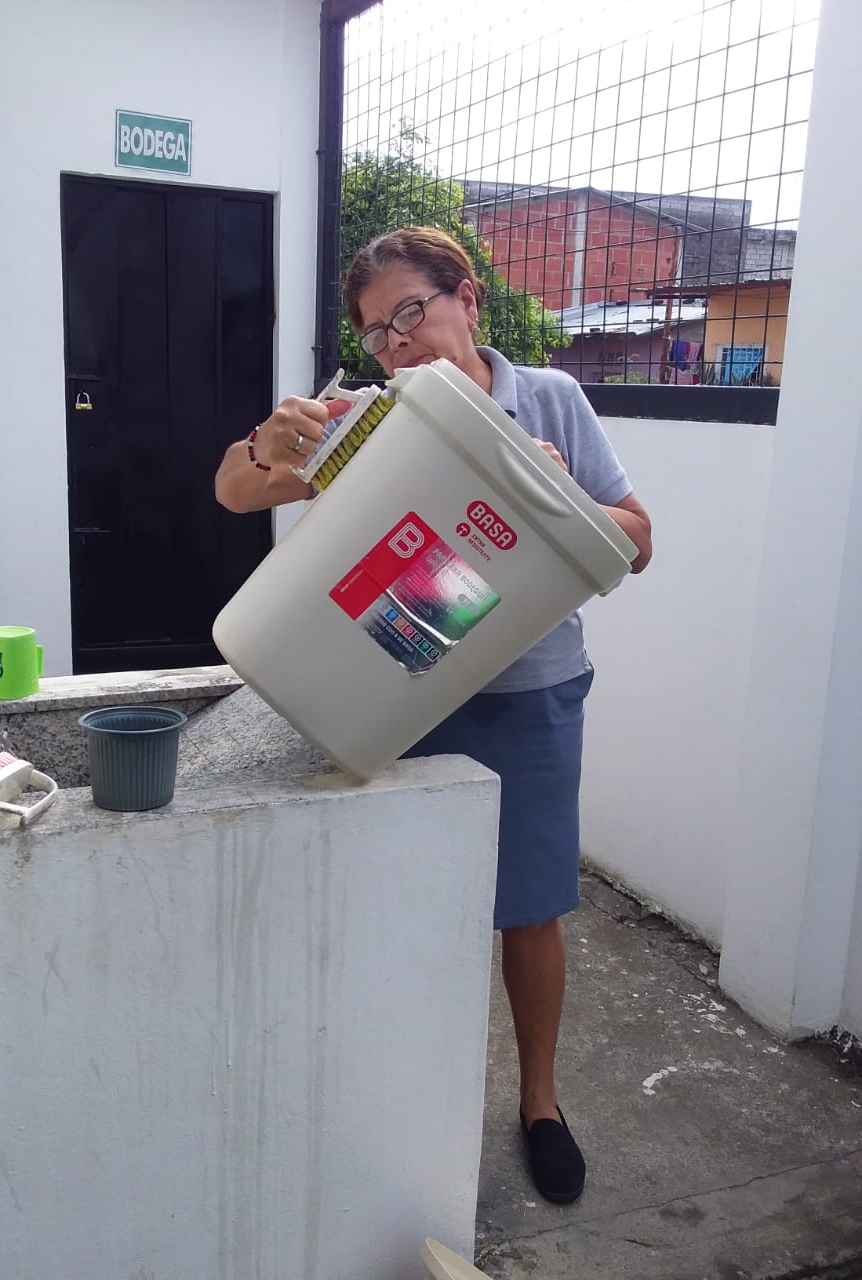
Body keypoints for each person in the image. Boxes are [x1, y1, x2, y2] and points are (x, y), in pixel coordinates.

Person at [215, 226, 652, 1205]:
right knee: (406, 903)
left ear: (468, 297)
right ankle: (405, 1100)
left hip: (530, 691)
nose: (397, 341)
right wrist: (265, 444)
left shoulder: (552, 398)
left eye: (410, 311)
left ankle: (540, 1102)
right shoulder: (376, 418)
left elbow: (637, 536)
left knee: (529, 908)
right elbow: (236, 490)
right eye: (377, 331)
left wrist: (557, 492)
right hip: (403, 686)